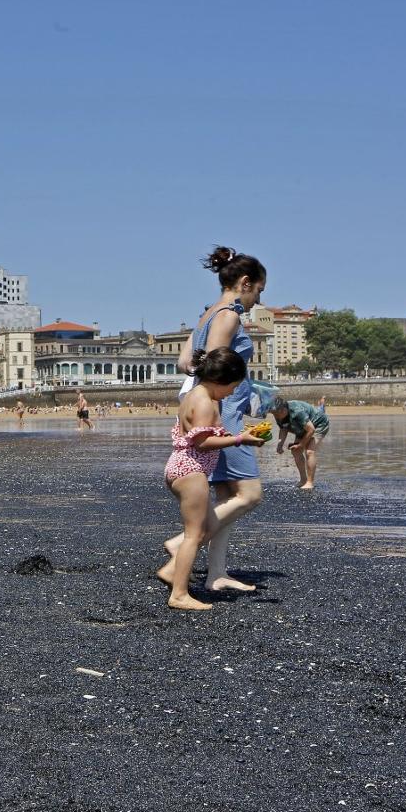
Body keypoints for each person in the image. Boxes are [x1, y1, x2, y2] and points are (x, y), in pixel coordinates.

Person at [162, 245, 268, 593]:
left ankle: (216, 573)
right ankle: (181, 546)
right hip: (224, 412)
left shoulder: (207, 314)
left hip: (215, 406)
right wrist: (220, 417)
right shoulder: (229, 315)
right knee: (250, 493)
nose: (257, 300)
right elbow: (213, 363)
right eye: (259, 292)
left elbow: (185, 364)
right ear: (245, 282)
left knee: (225, 493)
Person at [160, 347, 264, 610]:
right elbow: (203, 441)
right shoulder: (206, 402)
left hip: (182, 467)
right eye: (232, 387)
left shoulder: (194, 394)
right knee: (194, 535)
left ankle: (174, 575)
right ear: (220, 380)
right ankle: (179, 594)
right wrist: (240, 439)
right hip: (191, 471)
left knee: (204, 529)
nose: (231, 393)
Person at [270, 396, 329, 489]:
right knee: (295, 451)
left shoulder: (297, 412)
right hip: (302, 427)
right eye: (274, 413)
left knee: (309, 451)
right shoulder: (277, 413)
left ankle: (310, 482)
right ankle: (303, 480)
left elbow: (311, 430)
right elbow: (283, 428)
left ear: (284, 409)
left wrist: (301, 445)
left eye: (277, 413)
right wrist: (280, 444)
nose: (276, 416)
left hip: (318, 424)